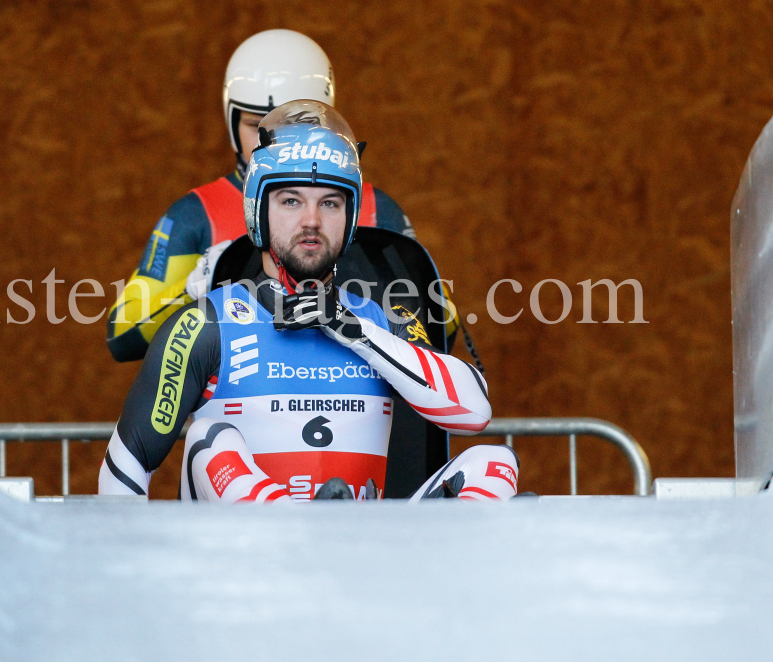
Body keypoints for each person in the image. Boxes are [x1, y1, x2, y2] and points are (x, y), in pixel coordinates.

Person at [99, 101, 517, 502]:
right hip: (243, 565)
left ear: (351, 219)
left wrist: (354, 332)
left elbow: (474, 411)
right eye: (291, 201)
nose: (312, 220)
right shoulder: (206, 324)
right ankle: (289, 534)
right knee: (209, 440)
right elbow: (123, 469)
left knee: (494, 464)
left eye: (330, 203)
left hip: (357, 556)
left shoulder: (384, 316)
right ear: (257, 212)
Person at [106, 29, 429, 363]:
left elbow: (437, 331)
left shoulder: (378, 210)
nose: (273, 143)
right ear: (233, 125)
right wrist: (194, 285)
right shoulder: (197, 214)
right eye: (256, 127)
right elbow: (122, 337)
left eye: (295, 126)